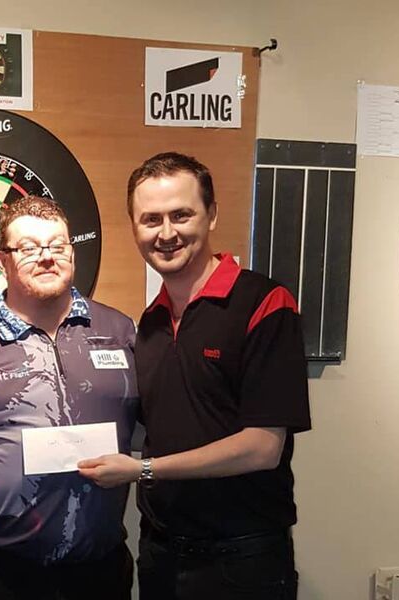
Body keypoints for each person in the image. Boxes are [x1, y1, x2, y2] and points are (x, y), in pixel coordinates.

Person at [78, 152, 312, 600]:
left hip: (241, 562)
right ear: (133, 228)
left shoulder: (264, 304)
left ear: (211, 216)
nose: (166, 234)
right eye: (150, 219)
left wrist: (143, 469)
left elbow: (262, 447)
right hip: (161, 555)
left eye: (181, 215)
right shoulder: (147, 324)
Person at [0, 196, 139, 600]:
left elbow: (151, 421)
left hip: (102, 567)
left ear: (72, 253)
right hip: (5, 571)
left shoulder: (120, 329)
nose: (46, 257)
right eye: (28, 248)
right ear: (2, 259)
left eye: (57, 246)